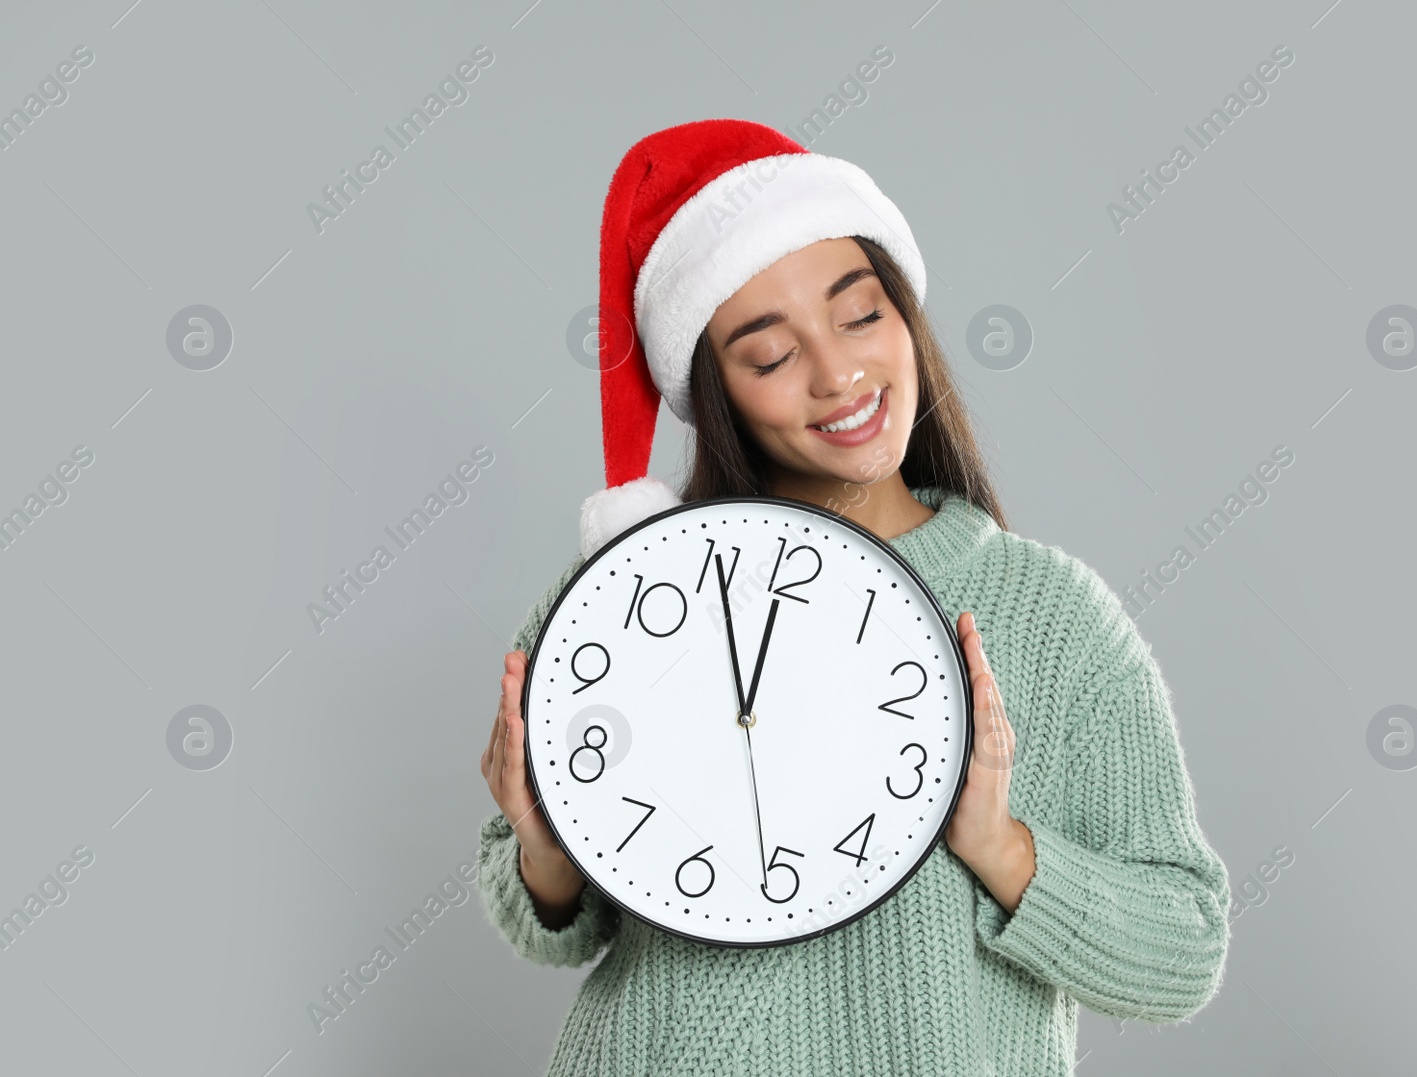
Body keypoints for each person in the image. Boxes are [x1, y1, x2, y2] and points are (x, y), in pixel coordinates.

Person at [477, 118, 1229, 1077]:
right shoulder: (623, 601)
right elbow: (550, 927)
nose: (838, 374)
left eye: (859, 313)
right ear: (716, 391)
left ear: (905, 314)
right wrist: (545, 848)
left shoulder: (1052, 615)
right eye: (769, 354)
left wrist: (999, 847)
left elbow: (1183, 952)